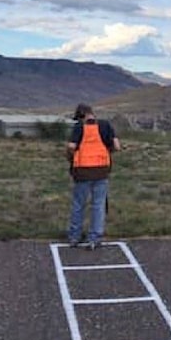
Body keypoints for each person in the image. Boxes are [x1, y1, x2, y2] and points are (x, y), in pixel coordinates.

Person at [65, 103, 121, 250]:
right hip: (102, 170)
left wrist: (72, 158)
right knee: (98, 205)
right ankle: (94, 238)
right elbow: (116, 146)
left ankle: (74, 237)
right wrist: (105, 154)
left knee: (79, 204)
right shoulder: (105, 125)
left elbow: (71, 147)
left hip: (82, 171)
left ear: (81, 115)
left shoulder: (79, 127)